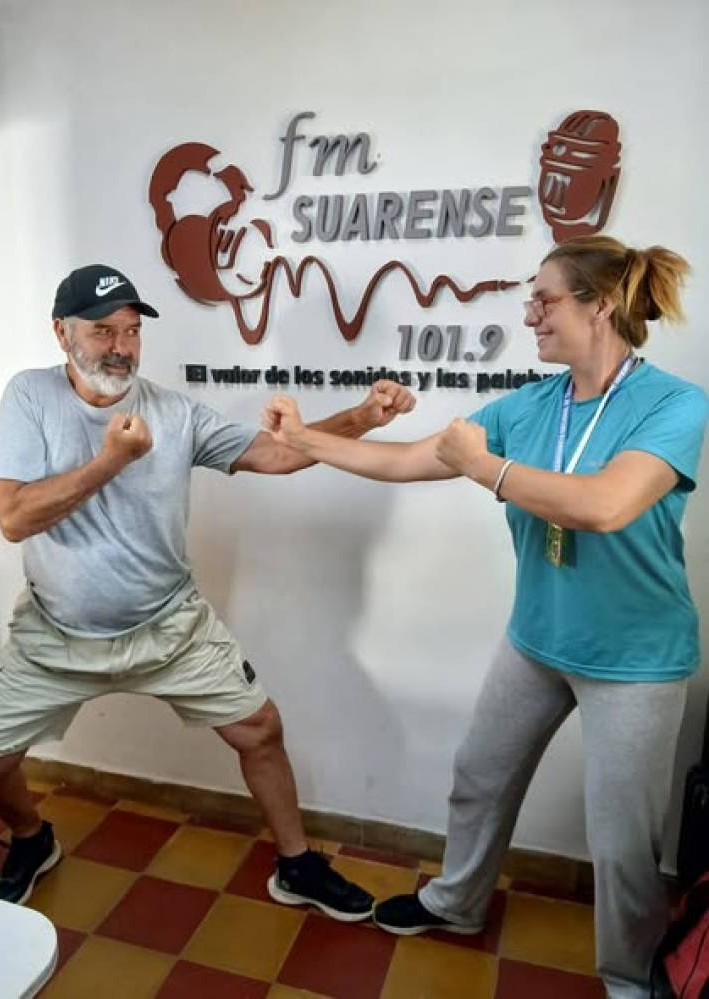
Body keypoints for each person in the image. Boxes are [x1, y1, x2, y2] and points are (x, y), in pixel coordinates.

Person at [263, 236, 709, 998]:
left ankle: (629, 978)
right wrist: (303, 437)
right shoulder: (531, 404)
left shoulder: (673, 402)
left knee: (623, 842)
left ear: (599, 306)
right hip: (537, 639)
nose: (529, 314)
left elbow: (607, 504)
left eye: (545, 298)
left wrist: (488, 470)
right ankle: (457, 900)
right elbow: (407, 460)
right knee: (479, 775)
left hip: (636, 659)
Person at [0, 263, 416, 917]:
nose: (120, 346)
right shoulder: (29, 397)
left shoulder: (173, 412)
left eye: (132, 331)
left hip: (170, 625)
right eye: (101, 331)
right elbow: (15, 516)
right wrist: (109, 461)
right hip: (56, 632)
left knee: (260, 728)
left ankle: (296, 865)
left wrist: (365, 416)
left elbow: (278, 454)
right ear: (61, 333)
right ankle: (32, 839)